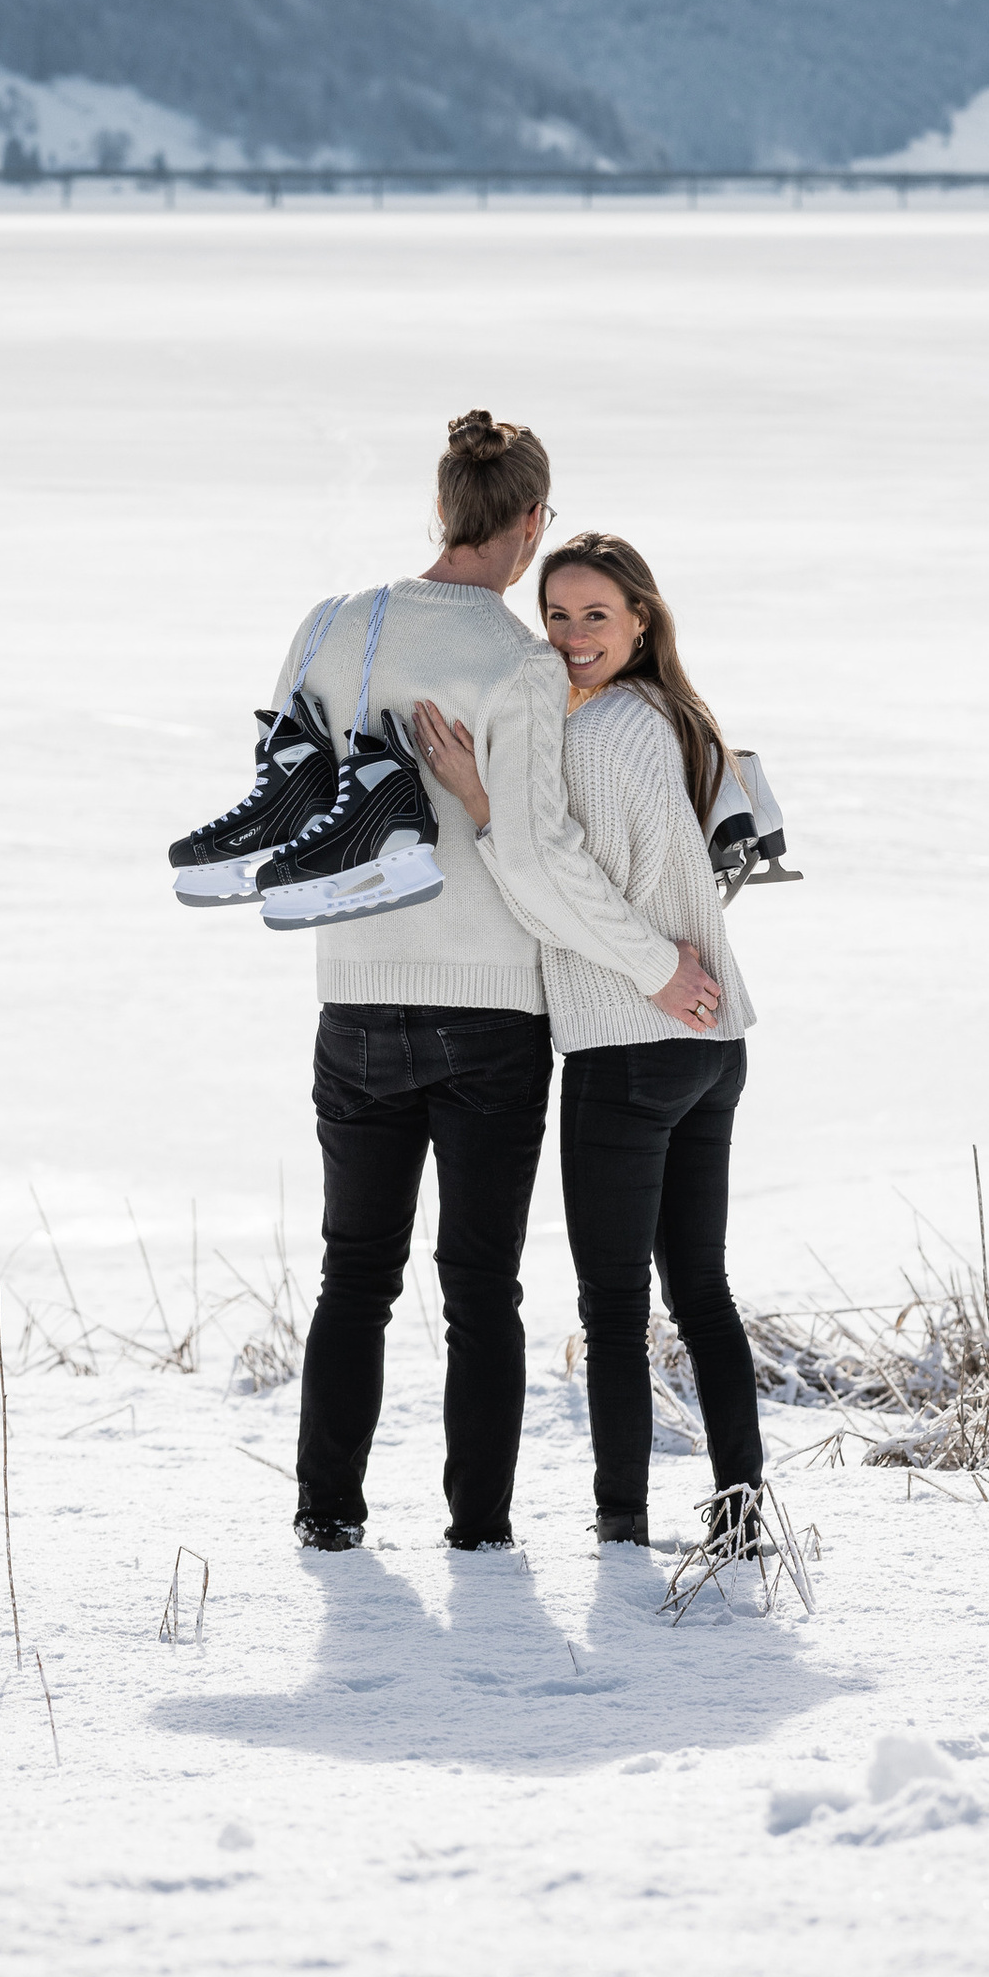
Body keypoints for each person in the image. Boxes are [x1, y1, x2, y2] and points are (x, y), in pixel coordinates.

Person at [276, 415, 724, 1555]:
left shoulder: (332, 626)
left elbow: (283, 778)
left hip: (357, 990)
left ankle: (327, 1514)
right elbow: (533, 856)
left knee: (352, 1276)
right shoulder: (522, 663)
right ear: (531, 524)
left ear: (443, 509)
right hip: (491, 1014)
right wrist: (655, 966)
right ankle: (476, 1530)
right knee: (480, 1288)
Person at [415, 530, 764, 1555]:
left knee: (614, 1305)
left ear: (640, 619)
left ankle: (623, 1529)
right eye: (556, 615)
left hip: (629, 1044)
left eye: (594, 616)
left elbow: (555, 887)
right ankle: (740, 1514)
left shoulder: (593, 735)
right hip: (712, 1042)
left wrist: (482, 801)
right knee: (700, 1290)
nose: (570, 636)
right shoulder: (680, 719)